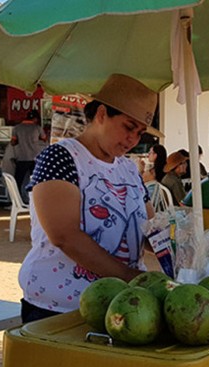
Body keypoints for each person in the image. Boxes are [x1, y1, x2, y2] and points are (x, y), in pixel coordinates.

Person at [18, 73, 157, 323]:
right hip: (60, 308)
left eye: (140, 133)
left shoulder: (129, 169)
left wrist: (185, 244)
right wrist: (130, 277)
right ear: (102, 114)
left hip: (122, 306)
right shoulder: (60, 158)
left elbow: (150, 229)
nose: (133, 140)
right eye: (128, 127)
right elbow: (64, 236)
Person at [11, 109, 47, 195]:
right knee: (36, 180)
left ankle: (16, 198)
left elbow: (13, 142)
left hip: (22, 157)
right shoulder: (37, 128)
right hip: (35, 158)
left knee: (18, 180)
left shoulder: (17, 128)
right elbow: (44, 139)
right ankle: (34, 198)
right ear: (35, 119)